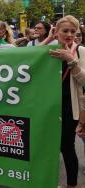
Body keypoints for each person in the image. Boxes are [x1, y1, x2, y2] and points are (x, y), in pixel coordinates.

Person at [44, 15, 85, 188]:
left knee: (66, 147)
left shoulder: (81, 51)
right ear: (56, 32)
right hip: (48, 107)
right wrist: (47, 40)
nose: (69, 34)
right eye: (65, 30)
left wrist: (70, 60)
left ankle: (72, 185)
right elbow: (27, 61)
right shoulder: (48, 49)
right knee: (47, 147)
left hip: (70, 108)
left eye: (73, 31)